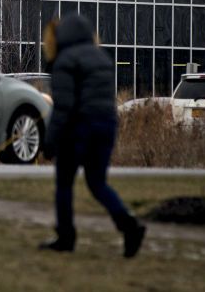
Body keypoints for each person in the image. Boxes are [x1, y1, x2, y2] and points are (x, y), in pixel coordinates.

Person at [39, 14, 146, 258]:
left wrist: (51, 141)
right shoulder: (102, 58)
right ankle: (130, 226)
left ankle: (66, 236)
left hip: (79, 127)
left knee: (64, 182)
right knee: (97, 183)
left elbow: (63, 106)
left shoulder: (65, 60)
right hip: (106, 125)